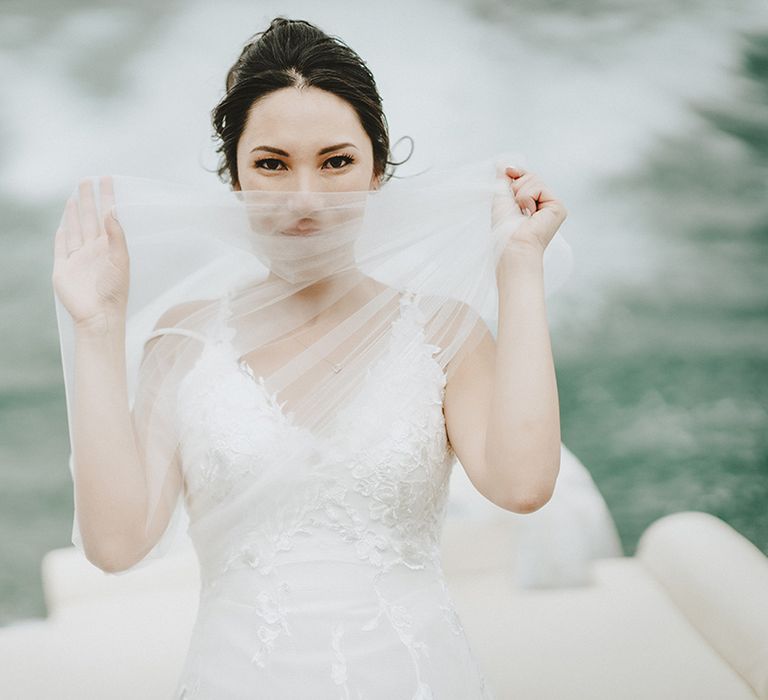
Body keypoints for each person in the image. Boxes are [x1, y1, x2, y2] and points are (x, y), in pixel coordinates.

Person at [51, 16, 569, 699]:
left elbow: (523, 485)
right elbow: (116, 546)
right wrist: (96, 328)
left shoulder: (446, 331)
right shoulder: (184, 340)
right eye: (271, 164)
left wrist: (520, 266)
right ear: (233, 172)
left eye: (336, 162)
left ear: (377, 171)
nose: (305, 199)